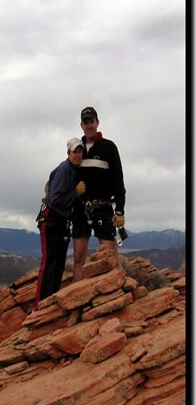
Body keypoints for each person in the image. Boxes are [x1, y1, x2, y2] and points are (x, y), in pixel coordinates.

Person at [72, 106, 126, 281]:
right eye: (85, 122)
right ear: (82, 125)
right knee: (79, 258)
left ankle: (120, 294)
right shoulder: (77, 149)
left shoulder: (108, 147)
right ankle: (76, 302)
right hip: (80, 209)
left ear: (97, 122)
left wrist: (120, 209)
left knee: (111, 256)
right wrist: (52, 181)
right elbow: (66, 171)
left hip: (102, 207)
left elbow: (118, 179)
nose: (89, 125)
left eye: (91, 121)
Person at [34, 138, 85, 310]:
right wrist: (75, 194)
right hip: (51, 219)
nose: (78, 155)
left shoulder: (72, 169)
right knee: (50, 263)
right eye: (74, 151)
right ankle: (40, 306)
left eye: (80, 151)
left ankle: (50, 304)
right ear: (68, 153)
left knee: (58, 264)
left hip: (61, 221)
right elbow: (56, 199)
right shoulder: (65, 169)